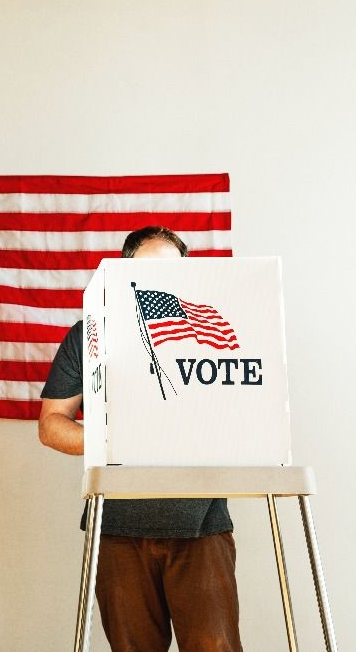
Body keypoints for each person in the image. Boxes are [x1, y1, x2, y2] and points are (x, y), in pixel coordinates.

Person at [38, 226, 241, 652]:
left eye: (173, 272)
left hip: (201, 522)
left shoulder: (212, 328)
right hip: (116, 526)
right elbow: (52, 424)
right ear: (122, 271)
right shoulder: (89, 332)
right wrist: (119, 438)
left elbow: (244, 413)